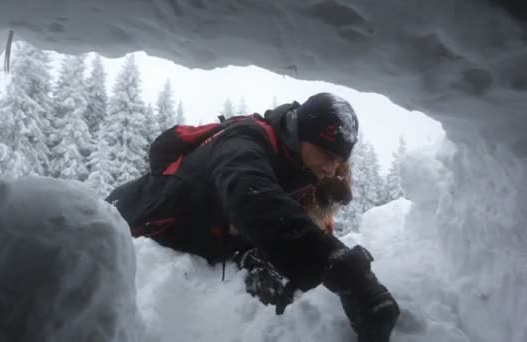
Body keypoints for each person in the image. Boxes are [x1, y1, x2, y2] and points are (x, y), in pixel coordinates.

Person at [106, 93, 400, 341]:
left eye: (339, 160)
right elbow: (252, 198)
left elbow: (284, 219)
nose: (331, 168)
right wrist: (344, 270)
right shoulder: (244, 140)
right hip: (121, 224)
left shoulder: (295, 166)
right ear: (301, 134)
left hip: (193, 238)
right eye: (327, 153)